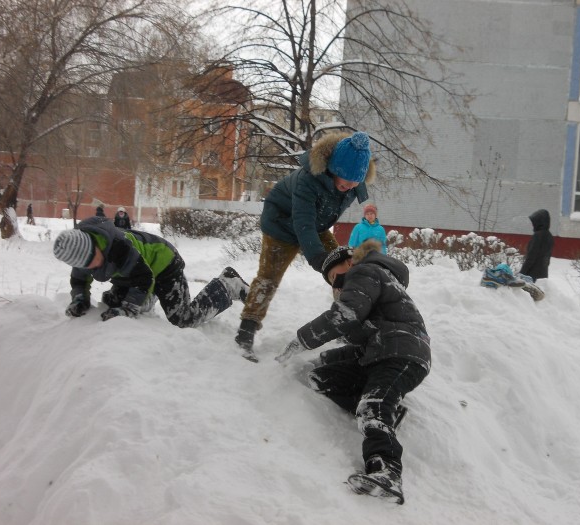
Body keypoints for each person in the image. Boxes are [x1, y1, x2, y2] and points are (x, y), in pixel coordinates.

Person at [275, 240, 431, 504]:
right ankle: (390, 414)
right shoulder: (375, 288)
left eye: (335, 277)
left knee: (374, 405)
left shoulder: (364, 271)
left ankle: (387, 470)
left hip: (401, 354)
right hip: (381, 353)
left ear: (348, 262)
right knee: (322, 377)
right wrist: (324, 358)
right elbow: (363, 343)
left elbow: (344, 315)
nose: (335, 286)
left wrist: (299, 342)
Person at [235, 131, 376, 361]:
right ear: (332, 169)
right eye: (345, 178)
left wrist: (329, 260)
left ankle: (347, 325)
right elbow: (303, 222)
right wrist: (318, 258)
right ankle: (245, 332)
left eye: (355, 180)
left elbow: (318, 219)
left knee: (344, 269)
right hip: (281, 223)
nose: (350, 185)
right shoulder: (308, 180)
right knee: (269, 276)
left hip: (315, 225)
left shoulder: (353, 184)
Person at [53, 216, 250, 328]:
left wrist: (130, 307)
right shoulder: (82, 258)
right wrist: (80, 299)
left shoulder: (119, 248)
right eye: (87, 265)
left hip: (164, 265)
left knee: (182, 318)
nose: (93, 264)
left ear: (95, 244)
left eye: (92, 257)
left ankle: (227, 284)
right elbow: (79, 281)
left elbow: (144, 278)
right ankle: (148, 298)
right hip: (135, 273)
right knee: (113, 303)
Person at [519, 209, 554, 282]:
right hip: (543, 274)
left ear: (539, 222)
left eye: (534, 222)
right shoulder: (549, 236)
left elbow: (531, 256)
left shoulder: (538, 236)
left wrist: (522, 273)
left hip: (532, 275)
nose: (532, 224)